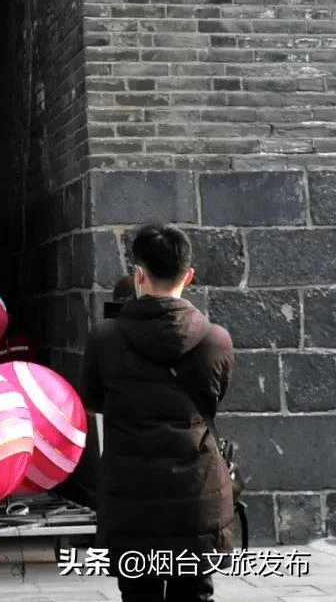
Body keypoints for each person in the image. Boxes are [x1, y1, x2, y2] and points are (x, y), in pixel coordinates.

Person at [81, 224, 235, 602]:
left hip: (130, 495)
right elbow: (213, 402)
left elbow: (94, 399)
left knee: (137, 596)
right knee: (194, 594)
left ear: (139, 274)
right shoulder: (216, 340)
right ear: (189, 276)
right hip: (195, 494)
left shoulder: (104, 338)